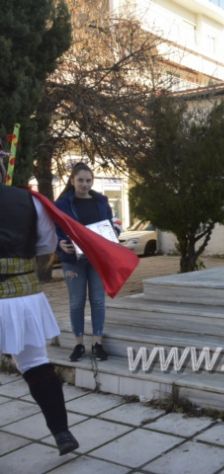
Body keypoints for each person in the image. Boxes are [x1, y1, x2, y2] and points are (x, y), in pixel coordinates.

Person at [0, 159, 79, 455]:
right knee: (36, 364)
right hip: (23, 295)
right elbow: (46, 246)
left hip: (20, 297)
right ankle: (61, 433)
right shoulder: (30, 200)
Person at [55, 163, 114, 361]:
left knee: (98, 301)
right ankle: (79, 344)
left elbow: (111, 226)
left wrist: (113, 234)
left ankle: (97, 343)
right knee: (76, 302)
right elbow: (53, 230)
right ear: (72, 180)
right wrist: (59, 243)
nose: (84, 184)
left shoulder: (101, 201)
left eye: (88, 180)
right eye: (80, 180)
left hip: (97, 259)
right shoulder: (62, 204)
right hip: (73, 260)